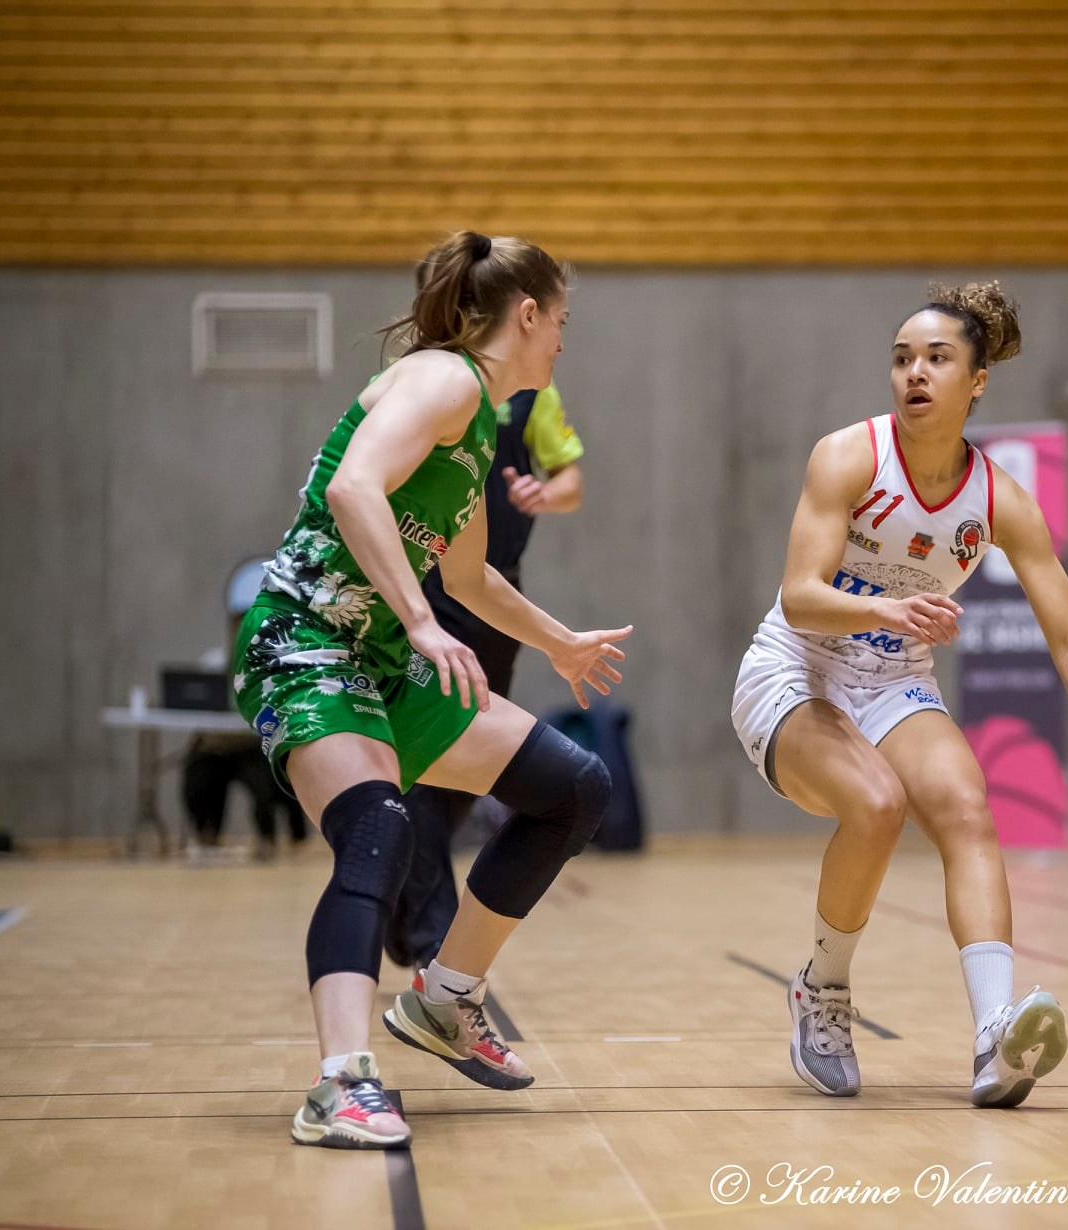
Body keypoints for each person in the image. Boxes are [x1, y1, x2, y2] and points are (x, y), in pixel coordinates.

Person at [730, 282, 1068, 1109]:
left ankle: (994, 1037)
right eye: (902, 358)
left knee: (971, 814)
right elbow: (798, 595)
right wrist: (886, 607)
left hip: (893, 679)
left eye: (937, 359)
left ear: (977, 382)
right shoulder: (848, 455)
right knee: (876, 803)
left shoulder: (1001, 498)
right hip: (796, 669)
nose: (914, 373)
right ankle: (822, 994)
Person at [232, 230, 631, 1150]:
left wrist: (560, 641)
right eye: (561, 321)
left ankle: (447, 1000)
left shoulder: (482, 418)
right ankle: (340, 1084)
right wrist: (417, 623)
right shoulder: (443, 378)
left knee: (573, 790)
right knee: (378, 826)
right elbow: (356, 490)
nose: (564, 342)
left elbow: (472, 575)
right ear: (526, 315)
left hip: (377, 655)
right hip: (307, 639)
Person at [389, 380, 587, 974]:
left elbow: (571, 482)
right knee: (429, 758)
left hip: (496, 590)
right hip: (428, 588)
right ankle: (431, 941)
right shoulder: (423, 383)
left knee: (469, 768)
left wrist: (543, 494)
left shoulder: (535, 397)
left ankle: (406, 912)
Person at [184, 615, 307, 859]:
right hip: (215, 745)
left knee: (265, 784)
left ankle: (268, 839)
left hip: (250, 745)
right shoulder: (213, 661)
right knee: (197, 778)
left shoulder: (271, 662)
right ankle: (206, 835)